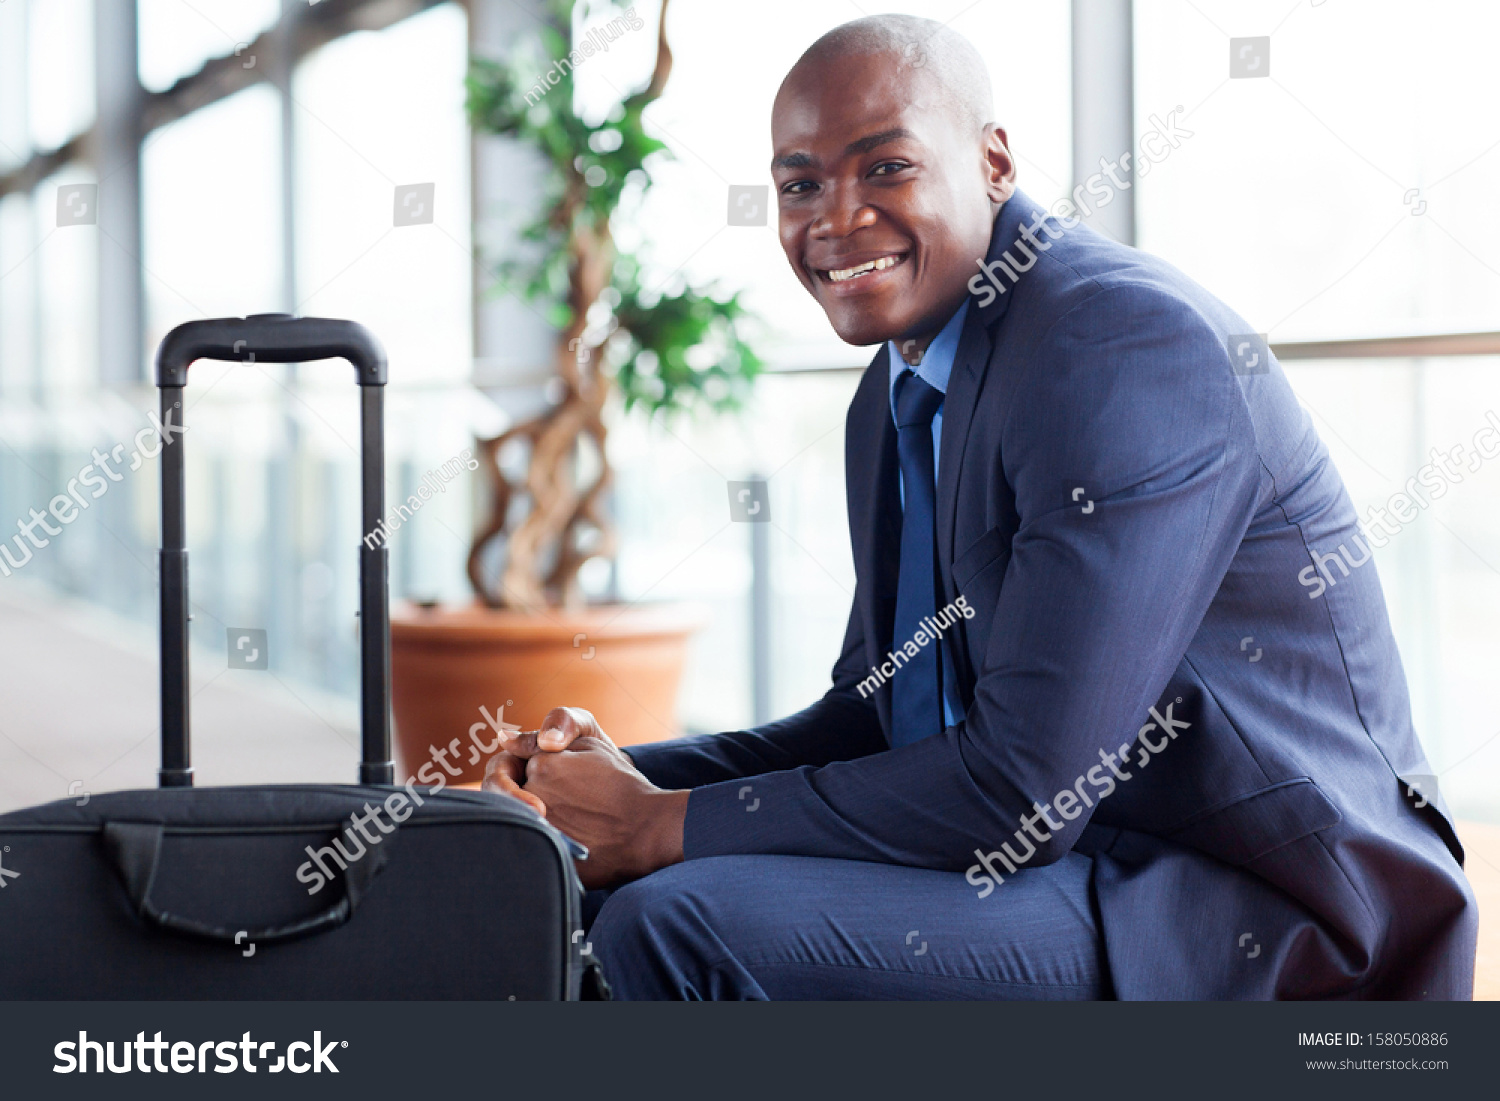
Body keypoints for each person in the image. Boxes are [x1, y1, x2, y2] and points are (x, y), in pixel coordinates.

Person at [485, 14, 1477, 1000]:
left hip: (1243, 901)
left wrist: (664, 827)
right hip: (1077, 862)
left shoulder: (1122, 345)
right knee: (575, 889)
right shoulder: (896, 391)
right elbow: (874, 721)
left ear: (993, 162)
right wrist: (614, 787)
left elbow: (1025, 791)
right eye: (799, 183)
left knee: (677, 919)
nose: (834, 217)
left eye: (885, 168)